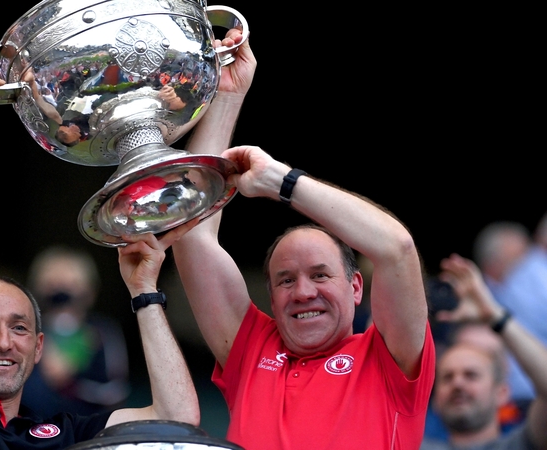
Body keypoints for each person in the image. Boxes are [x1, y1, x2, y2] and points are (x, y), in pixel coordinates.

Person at [0, 51, 199, 449]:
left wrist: (144, 292)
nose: (3, 341)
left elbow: (177, 419)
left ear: (38, 348)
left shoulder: (58, 434)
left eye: (19, 327)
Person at [170, 28, 436, 449]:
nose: (303, 292)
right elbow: (191, 235)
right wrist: (227, 94)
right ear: (272, 298)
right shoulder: (253, 350)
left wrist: (280, 180)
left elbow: (397, 249)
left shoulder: (389, 360)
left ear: (355, 287)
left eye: (320, 274)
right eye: (286, 280)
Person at [420, 253, 547, 449]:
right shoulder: (411, 444)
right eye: (447, 377)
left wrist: (494, 315)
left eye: (471, 375)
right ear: (435, 398)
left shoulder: (524, 443)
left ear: (502, 392)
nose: (458, 383)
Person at [21, 245, 130, 417]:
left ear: (89, 292)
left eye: (72, 285)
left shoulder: (101, 331)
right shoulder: (25, 331)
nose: (61, 293)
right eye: (52, 285)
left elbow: (113, 389)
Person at [472, 220, 547, 415]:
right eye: (520, 263)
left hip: (533, 402)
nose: (532, 269)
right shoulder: (468, 305)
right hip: (491, 408)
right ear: (493, 267)